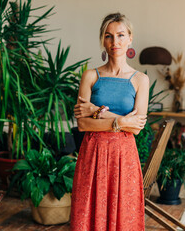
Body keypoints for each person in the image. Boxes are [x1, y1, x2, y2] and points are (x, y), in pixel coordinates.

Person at [69, 12, 149, 231]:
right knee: (87, 215)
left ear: (130, 38)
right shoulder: (90, 76)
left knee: (123, 217)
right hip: (92, 154)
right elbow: (83, 125)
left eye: (121, 35)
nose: (115, 42)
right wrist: (122, 121)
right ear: (103, 40)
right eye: (109, 36)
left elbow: (138, 127)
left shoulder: (141, 80)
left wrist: (98, 111)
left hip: (124, 157)